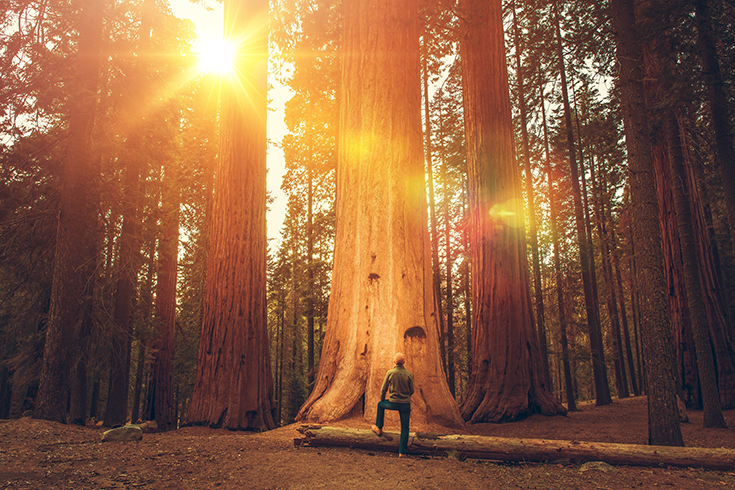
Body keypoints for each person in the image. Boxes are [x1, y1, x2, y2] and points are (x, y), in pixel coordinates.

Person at [371, 352, 414, 457]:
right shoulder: (408, 374)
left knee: (380, 405)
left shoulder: (390, 373)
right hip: (405, 405)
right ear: (404, 362)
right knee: (405, 428)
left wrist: (383, 399)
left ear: (394, 361)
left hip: (392, 403)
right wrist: (405, 396)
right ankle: (402, 452)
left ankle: (379, 427)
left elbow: (383, 388)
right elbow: (412, 390)